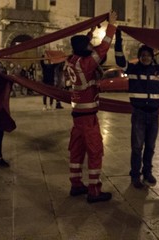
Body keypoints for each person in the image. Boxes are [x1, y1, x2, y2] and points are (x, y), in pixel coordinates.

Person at [67, 10, 117, 203]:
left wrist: (90, 32)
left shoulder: (72, 61)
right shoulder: (86, 64)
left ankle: (76, 184)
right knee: (95, 151)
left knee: (77, 150)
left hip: (77, 115)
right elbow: (103, 48)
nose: (90, 46)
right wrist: (111, 25)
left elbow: (81, 47)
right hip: (88, 117)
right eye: (88, 44)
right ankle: (94, 190)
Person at [115, 30, 159, 189]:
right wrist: (118, 38)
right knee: (137, 147)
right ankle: (135, 175)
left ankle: (148, 172)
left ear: (152, 57)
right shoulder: (132, 69)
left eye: (148, 55)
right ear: (140, 56)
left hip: (154, 114)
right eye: (143, 55)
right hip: (138, 114)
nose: (146, 58)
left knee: (150, 146)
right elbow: (119, 58)